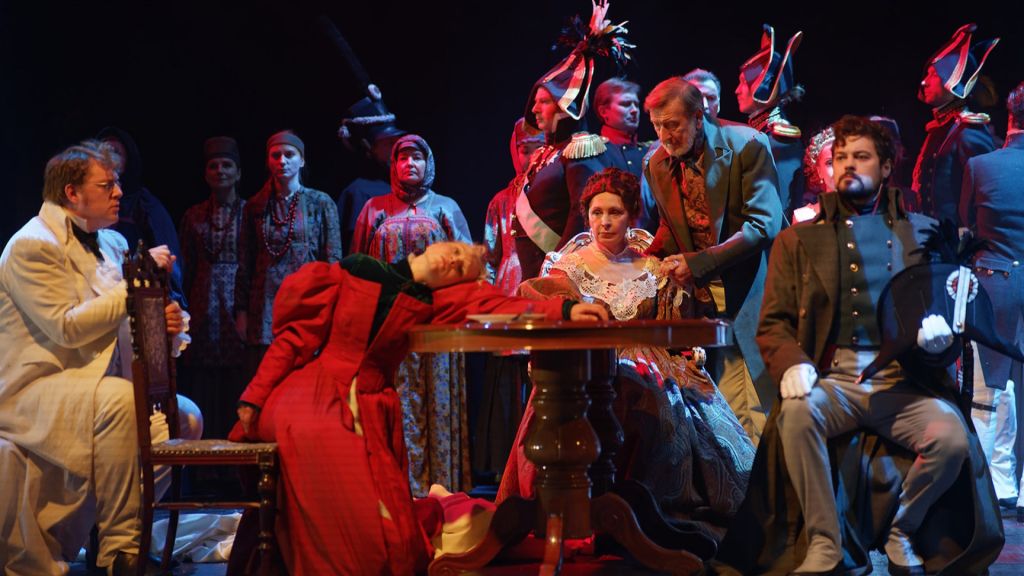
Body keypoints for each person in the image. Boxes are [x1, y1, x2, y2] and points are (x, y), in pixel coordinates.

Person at [713, 116, 1002, 576]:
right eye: (840, 157)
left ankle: (904, 528)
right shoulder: (797, 240)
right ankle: (824, 543)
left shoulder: (922, 234)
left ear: (886, 167)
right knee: (796, 417)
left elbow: (946, 320)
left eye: (861, 156)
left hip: (900, 384)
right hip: (834, 380)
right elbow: (774, 323)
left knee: (950, 437)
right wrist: (791, 363)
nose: (848, 164)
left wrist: (938, 342)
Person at [229, 241, 607, 575]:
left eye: (460, 269)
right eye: (454, 252)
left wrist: (565, 309)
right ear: (431, 247)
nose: (452, 262)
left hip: (371, 406)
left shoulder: (433, 302)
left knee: (381, 524)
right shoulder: (359, 269)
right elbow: (296, 339)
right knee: (322, 448)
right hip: (312, 395)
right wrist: (254, 396)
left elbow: (503, 305)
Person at [498, 168, 755, 550]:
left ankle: (654, 513)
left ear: (631, 215)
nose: (604, 222)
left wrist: (681, 355)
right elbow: (545, 312)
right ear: (586, 216)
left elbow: (673, 326)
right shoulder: (568, 268)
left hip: (654, 361)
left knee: (666, 409)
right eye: (596, 212)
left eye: (614, 212)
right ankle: (575, 508)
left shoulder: (652, 267)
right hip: (585, 367)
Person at [0, 140, 200, 575]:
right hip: (37, 387)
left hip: (96, 383)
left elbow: (120, 320)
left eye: (117, 183)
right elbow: (67, 327)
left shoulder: (111, 242)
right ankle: (120, 552)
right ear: (72, 193)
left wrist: (160, 322)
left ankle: (122, 525)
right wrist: (135, 283)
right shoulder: (31, 245)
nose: (119, 193)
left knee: (183, 418)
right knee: (120, 401)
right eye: (106, 185)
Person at [643, 76, 783, 445]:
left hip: (757, 289)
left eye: (672, 125)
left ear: (698, 116)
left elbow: (763, 225)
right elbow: (671, 226)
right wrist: (645, 261)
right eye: (656, 126)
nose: (664, 135)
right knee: (730, 409)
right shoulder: (657, 163)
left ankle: (780, 480)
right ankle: (745, 479)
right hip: (707, 304)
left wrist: (699, 263)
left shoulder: (747, 144)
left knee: (770, 402)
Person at [352, 133, 474, 497]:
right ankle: (395, 485)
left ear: (428, 163)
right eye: (403, 158)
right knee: (396, 399)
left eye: (417, 157)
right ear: (393, 165)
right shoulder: (374, 208)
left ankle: (439, 487)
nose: (410, 164)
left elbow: (468, 263)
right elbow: (358, 266)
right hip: (390, 323)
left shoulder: (445, 207)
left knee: (437, 402)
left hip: (437, 320)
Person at [512, 0, 633, 279]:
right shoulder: (549, 152)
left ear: (565, 106)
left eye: (543, 102)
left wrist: (560, 267)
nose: (534, 109)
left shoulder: (581, 149)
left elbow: (582, 215)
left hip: (562, 273)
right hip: (536, 270)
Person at [960, 80, 1024, 518]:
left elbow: (966, 227)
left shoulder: (981, 166)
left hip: (994, 283)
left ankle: (993, 487)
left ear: (1010, 114)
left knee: (989, 392)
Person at [234, 130, 342, 380]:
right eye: (276, 155)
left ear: (301, 160)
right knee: (267, 379)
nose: (282, 161)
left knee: (304, 378)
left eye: (289, 155)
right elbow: (245, 262)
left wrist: (332, 307)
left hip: (307, 304)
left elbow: (333, 259)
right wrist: (241, 311)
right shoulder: (255, 206)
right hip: (264, 309)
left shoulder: (320, 202)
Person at [178, 136, 246, 440]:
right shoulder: (193, 215)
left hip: (236, 300)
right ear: (205, 174)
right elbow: (186, 266)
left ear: (238, 172)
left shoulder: (249, 212)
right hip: (203, 300)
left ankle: (236, 450)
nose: (220, 171)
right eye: (213, 166)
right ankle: (204, 451)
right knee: (204, 379)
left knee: (236, 376)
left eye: (226, 165)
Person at [911, 23, 999, 227]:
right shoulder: (941, 127)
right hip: (933, 235)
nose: (924, 82)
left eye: (933, 75)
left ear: (952, 81)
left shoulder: (968, 130)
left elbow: (985, 192)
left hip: (955, 239)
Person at [97, 126, 186, 304]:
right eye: (103, 152)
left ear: (129, 159)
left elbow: (168, 257)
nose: (109, 158)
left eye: (115, 153)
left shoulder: (145, 205)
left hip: (140, 295)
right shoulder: (90, 204)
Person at [735, 24, 806, 221]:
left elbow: (779, 210)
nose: (737, 90)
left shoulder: (779, 138)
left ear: (761, 87)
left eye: (743, 83)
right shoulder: (760, 132)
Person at [336, 84, 407, 254]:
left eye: (396, 141)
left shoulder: (405, 186)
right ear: (369, 147)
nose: (395, 148)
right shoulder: (358, 192)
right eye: (388, 143)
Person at [792, 126, 835, 222]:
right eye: (830, 163)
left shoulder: (867, 213)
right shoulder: (804, 216)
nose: (838, 168)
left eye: (842, 159)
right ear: (818, 170)